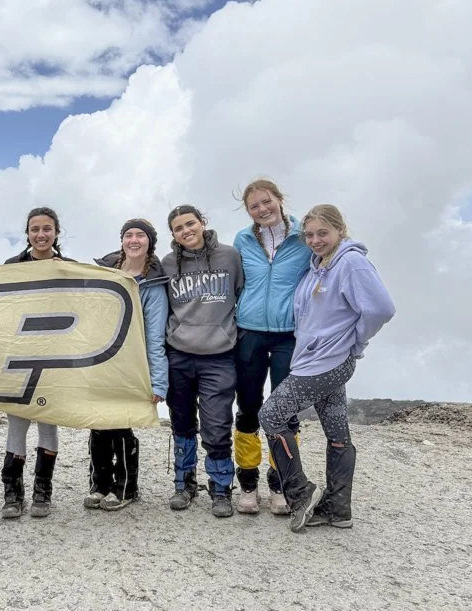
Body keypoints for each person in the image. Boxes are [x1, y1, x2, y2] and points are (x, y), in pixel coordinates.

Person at [259, 205, 395, 532]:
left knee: (271, 416)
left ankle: (301, 493)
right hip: (318, 360)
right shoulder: (318, 265)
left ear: (340, 230)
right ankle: (338, 509)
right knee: (337, 433)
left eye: (323, 233)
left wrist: (355, 341)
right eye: (309, 235)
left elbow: (381, 309)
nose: (315, 240)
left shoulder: (350, 262)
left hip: (327, 363)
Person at [232, 178, 311, 515]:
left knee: (285, 412)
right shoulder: (242, 239)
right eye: (255, 206)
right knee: (248, 408)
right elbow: (236, 282)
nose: (262, 209)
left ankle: (280, 484)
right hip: (249, 333)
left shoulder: (304, 238)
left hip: (288, 335)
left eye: (267, 201)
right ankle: (248, 484)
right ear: (248, 211)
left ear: (280, 199)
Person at [161, 206, 244, 518]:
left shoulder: (230, 257)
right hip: (179, 354)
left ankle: (221, 488)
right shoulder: (168, 264)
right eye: (178, 228)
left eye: (190, 223)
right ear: (173, 234)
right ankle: (184, 484)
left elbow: (241, 294)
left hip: (219, 356)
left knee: (217, 424)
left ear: (202, 223)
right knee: (182, 422)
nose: (186, 231)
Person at [87, 219, 168, 511]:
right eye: (128, 235)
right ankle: (99, 484)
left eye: (140, 235)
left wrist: (158, 382)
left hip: (131, 364)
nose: (134, 240)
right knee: (98, 422)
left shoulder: (154, 285)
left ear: (150, 242)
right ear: (122, 240)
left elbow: (155, 336)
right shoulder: (105, 272)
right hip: (101, 360)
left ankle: (125, 487)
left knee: (120, 423)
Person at [0, 206, 75, 519]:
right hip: (19, 357)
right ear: (27, 233)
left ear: (56, 232)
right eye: (35, 229)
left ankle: (42, 490)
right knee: (17, 423)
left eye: (47, 229)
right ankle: (12, 492)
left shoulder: (69, 268)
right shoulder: (11, 266)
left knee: (48, 422)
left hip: (54, 358)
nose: (41, 235)